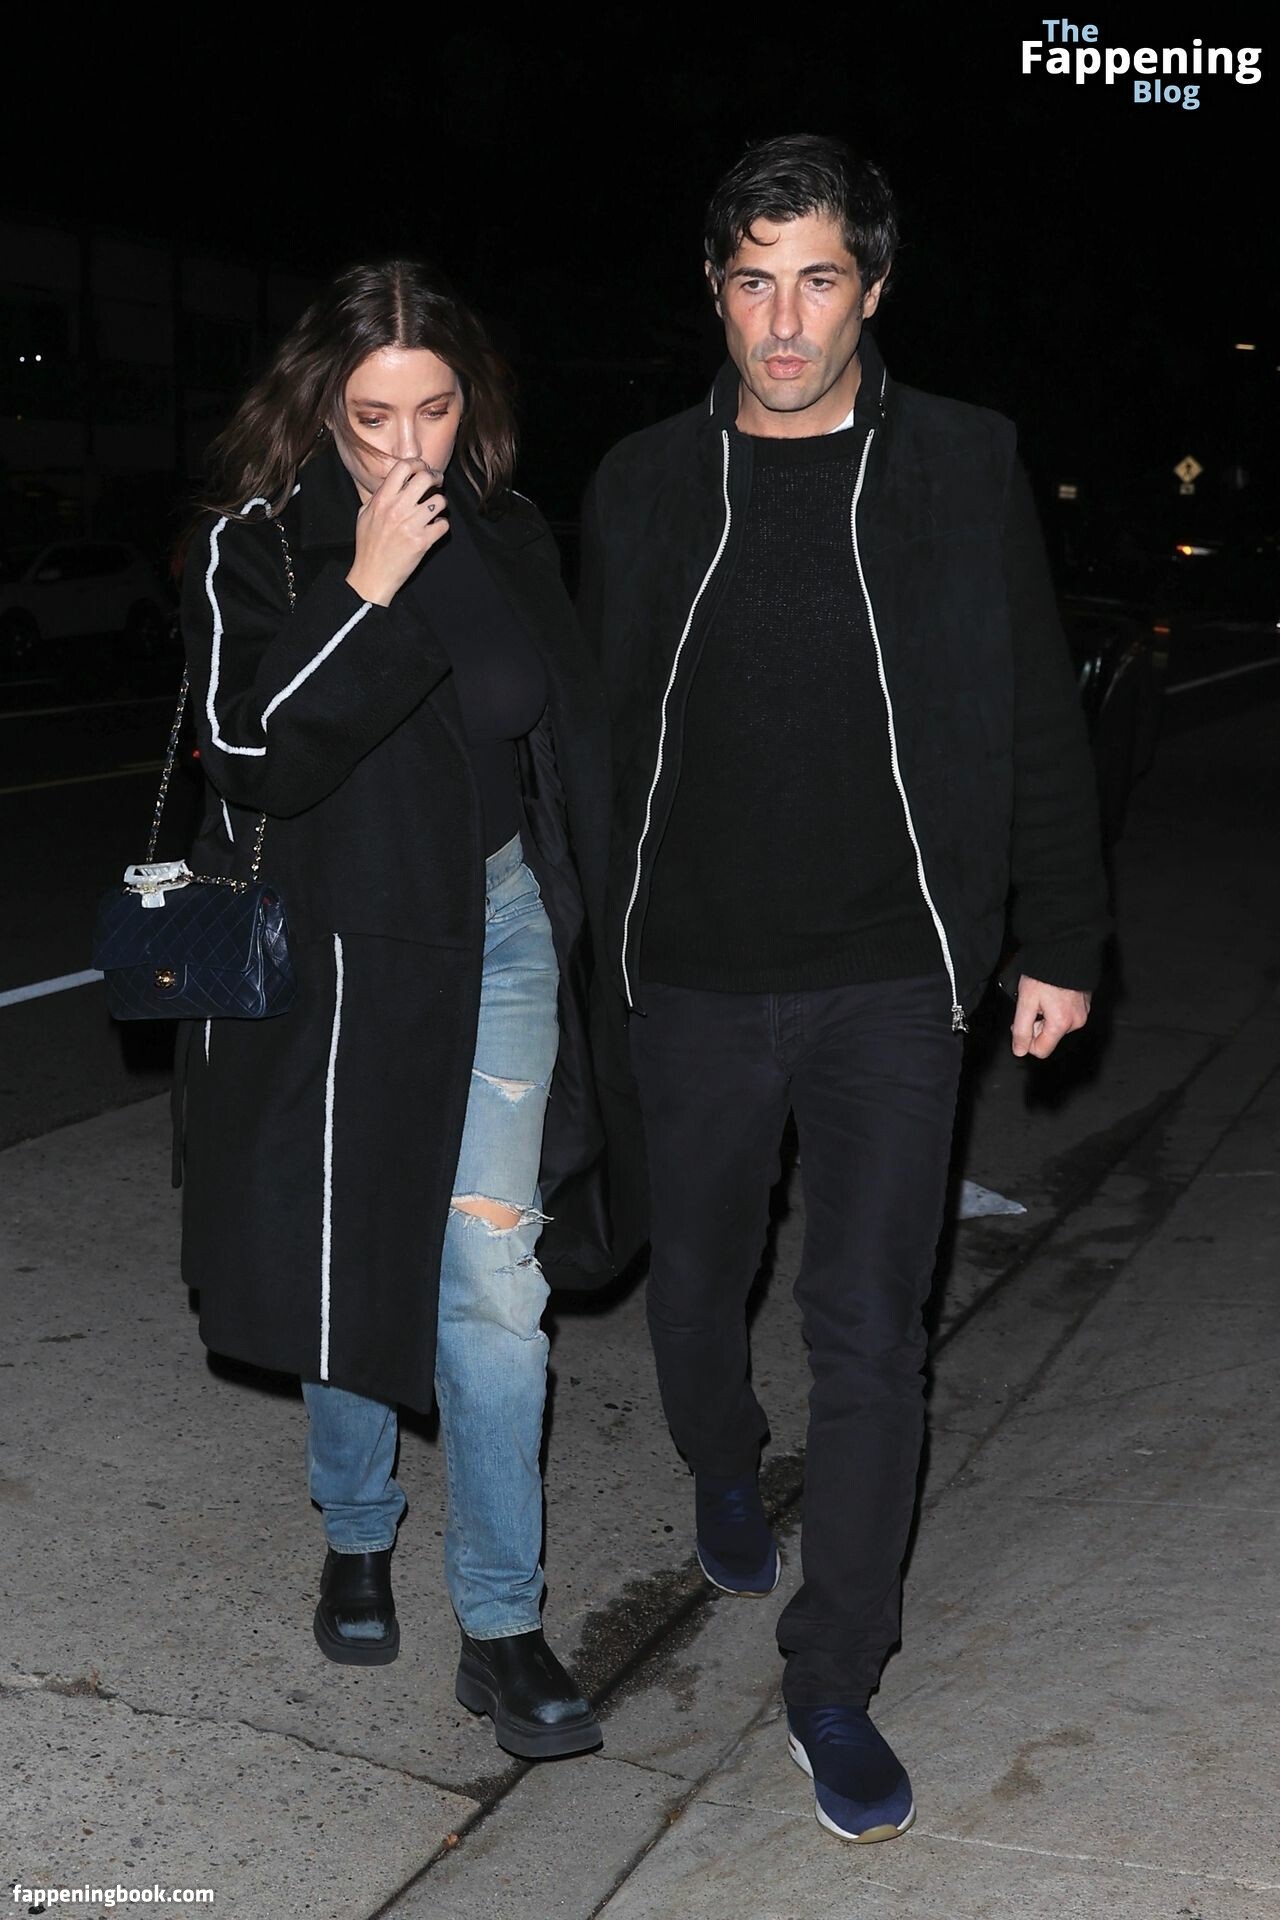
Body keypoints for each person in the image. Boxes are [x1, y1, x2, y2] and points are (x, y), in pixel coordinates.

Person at [579, 136, 1110, 1840]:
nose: (787, 322)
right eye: (755, 282)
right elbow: (596, 739)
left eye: (820, 280)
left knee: (873, 1330)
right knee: (693, 1286)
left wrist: (1061, 937)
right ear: (715, 292)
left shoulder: (961, 462)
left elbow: (1031, 707)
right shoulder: (643, 484)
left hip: (893, 973)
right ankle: (722, 1461)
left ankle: (833, 1677)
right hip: (693, 980)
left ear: (873, 288)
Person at [177, 258, 622, 1760]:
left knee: (491, 1280)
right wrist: (364, 585)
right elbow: (255, 753)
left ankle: (501, 1624)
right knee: (350, 1246)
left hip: (498, 933)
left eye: (434, 409)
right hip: (344, 952)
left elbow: (564, 735)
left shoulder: (507, 532)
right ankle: (356, 1527)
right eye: (374, 416)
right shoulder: (255, 544)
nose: (407, 446)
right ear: (319, 406)